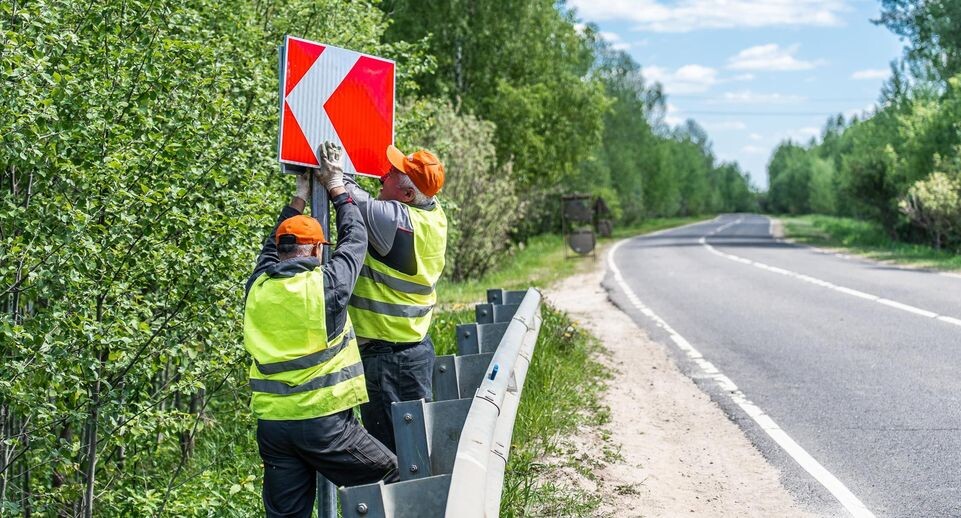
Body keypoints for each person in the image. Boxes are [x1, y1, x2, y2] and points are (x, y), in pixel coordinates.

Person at [243, 142, 398, 517]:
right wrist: (337, 187)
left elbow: (269, 247)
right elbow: (356, 240)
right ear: (315, 252)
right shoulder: (326, 287)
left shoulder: (258, 287)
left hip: (275, 428)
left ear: (280, 250)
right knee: (389, 473)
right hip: (324, 426)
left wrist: (299, 197)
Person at [333, 144, 448, 453]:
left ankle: (406, 503)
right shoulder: (434, 216)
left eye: (394, 174)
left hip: (389, 361)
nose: (383, 176)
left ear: (408, 195)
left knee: (392, 458)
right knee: (413, 451)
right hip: (412, 351)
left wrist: (339, 149)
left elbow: (344, 188)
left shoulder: (393, 221)